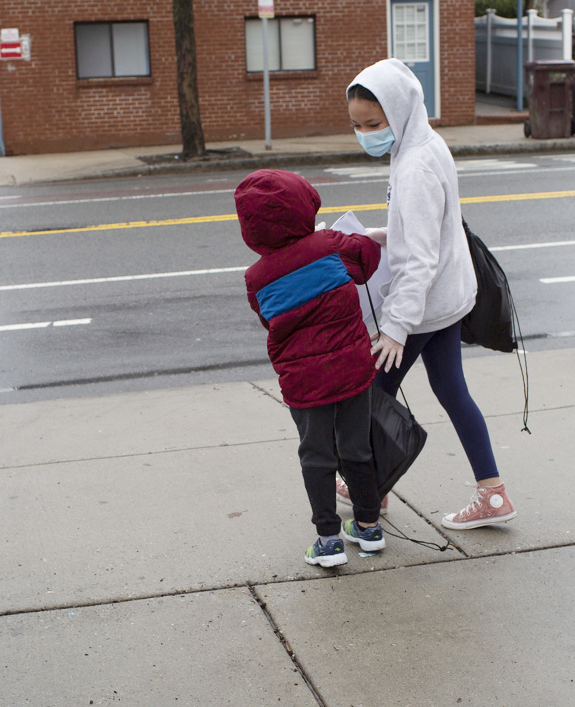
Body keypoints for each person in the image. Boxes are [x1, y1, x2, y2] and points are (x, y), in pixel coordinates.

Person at [339, 58, 517, 530]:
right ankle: (493, 494)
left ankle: (372, 492)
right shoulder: (421, 143)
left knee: (373, 392)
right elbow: (428, 230)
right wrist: (381, 234)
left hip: (422, 306)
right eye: (357, 125)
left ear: (398, 112)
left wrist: (395, 327)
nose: (365, 133)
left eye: (373, 123)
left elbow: (418, 260)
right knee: (452, 391)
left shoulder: (414, 165)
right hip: (446, 298)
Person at [237, 169, 386, 568]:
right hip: (353, 368)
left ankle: (327, 540)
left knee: (316, 454)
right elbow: (368, 258)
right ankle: (369, 527)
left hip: (304, 382)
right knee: (357, 448)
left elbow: (269, 318)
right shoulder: (329, 245)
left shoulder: (256, 277)